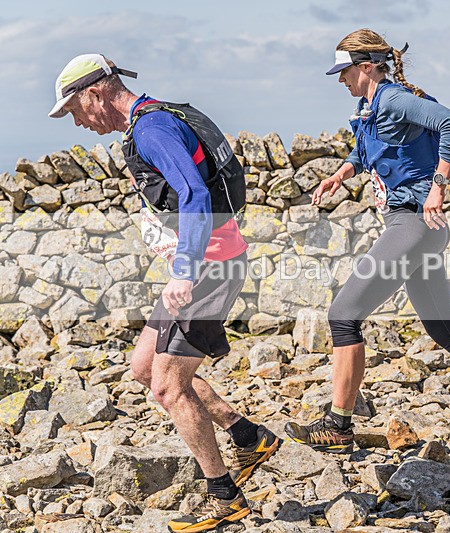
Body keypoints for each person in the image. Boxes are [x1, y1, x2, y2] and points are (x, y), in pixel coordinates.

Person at [49, 54, 280, 532]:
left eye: (74, 110)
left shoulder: (151, 129)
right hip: (203, 266)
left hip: (206, 270)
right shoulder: (153, 119)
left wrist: (184, 270)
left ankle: (224, 498)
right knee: (143, 368)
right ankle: (247, 435)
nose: (77, 122)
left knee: (168, 387)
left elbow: (194, 194)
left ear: (95, 94)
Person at [284, 29, 450, 458]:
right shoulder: (371, 106)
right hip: (417, 228)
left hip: (415, 225)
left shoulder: (393, 98)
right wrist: (341, 175)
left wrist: (438, 186)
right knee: (443, 326)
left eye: (343, 71)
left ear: (365, 67)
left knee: (343, 315)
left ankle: (338, 425)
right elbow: (368, 152)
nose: (339, 80)